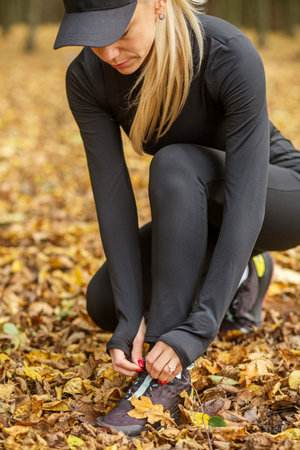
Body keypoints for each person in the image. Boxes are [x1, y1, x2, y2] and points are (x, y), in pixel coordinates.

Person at [54, 0, 300, 436]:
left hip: (276, 196)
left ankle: (163, 380)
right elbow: (112, 198)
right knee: (104, 303)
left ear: (158, 4)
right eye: (93, 36)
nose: (109, 51)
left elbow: (245, 200)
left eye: (119, 29)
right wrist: (130, 317)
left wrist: (193, 332)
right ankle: (247, 273)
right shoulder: (87, 78)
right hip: (196, 206)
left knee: (175, 163)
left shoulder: (226, 52)